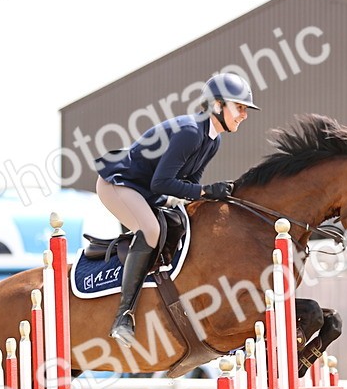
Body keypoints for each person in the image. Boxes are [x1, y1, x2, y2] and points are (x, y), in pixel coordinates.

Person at [95, 72, 259, 345]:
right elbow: (162, 183)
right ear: (217, 105)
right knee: (151, 230)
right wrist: (206, 191)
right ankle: (123, 317)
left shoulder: (212, 140)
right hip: (119, 185)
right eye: (239, 107)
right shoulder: (190, 132)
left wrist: (215, 197)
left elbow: (189, 183)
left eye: (245, 109)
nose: (244, 115)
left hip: (146, 191)